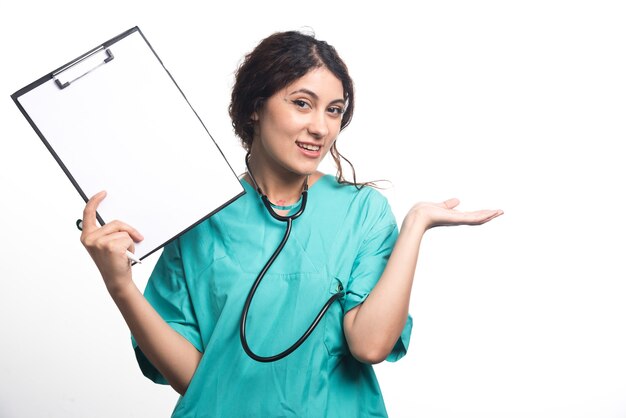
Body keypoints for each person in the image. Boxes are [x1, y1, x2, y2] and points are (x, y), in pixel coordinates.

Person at [80, 30, 503, 417]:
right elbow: (197, 377)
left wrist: (415, 226)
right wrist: (120, 287)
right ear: (254, 109)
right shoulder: (200, 216)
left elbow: (370, 344)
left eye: (334, 111)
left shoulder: (362, 212)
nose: (320, 127)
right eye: (302, 103)